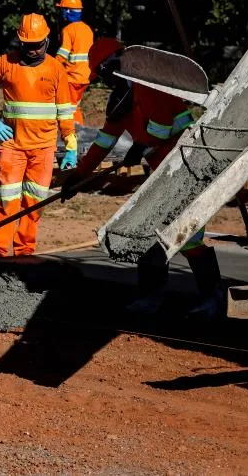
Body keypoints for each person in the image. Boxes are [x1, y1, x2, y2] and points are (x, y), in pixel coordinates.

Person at [62, 39, 223, 318]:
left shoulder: (151, 85)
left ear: (111, 65)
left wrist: (141, 147)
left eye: (101, 73)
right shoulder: (121, 101)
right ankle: (150, 298)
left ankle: (214, 299)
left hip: (185, 168)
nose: (102, 80)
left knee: (189, 238)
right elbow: (103, 142)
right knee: (148, 235)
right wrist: (78, 176)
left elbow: (160, 128)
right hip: (161, 174)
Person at [0, 13, 77, 257]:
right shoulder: (6, 63)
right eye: (28, 45)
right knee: (6, 199)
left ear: (47, 42)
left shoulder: (56, 69)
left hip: (44, 149)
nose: (33, 50)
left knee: (34, 203)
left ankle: (24, 253)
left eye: (38, 45)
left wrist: (71, 145)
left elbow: (65, 111)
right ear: (20, 42)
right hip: (12, 146)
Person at [54, 0, 94, 126]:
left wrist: (50, 66)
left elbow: (62, 55)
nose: (61, 13)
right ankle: (78, 131)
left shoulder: (68, 30)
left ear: (68, 11)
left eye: (62, 9)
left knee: (68, 108)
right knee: (75, 106)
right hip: (85, 77)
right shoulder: (87, 29)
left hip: (72, 77)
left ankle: (73, 133)